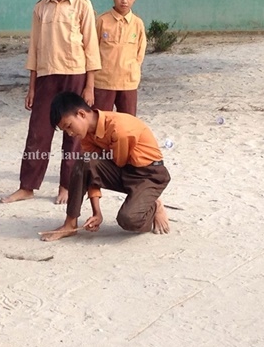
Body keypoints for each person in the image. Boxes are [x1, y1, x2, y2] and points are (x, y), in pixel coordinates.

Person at [1, 0, 101, 205]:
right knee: (38, 133)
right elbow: (34, 50)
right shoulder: (40, 9)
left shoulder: (83, 6)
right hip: (46, 77)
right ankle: (27, 186)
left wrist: (89, 86)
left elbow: (91, 48)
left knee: (74, 135)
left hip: (75, 75)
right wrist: (31, 88)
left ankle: (67, 185)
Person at [40, 92, 171, 241]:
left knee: (128, 219)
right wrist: (97, 213)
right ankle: (70, 224)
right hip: (124, 170)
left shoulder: (119, 129)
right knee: (84, 161)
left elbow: (115, 164)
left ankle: (154, 204)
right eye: (66, 131)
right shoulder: (87, 135)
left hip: (149, 175)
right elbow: (91, 173)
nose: (70, 133)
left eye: (69, 126)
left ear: (81, 114)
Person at [92, 0, 146, 116]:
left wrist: (132, 70)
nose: (124, 1)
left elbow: (140, 52)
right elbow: (92, 50)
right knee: (101, 122)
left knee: (128, 123)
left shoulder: (137, 24)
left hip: (128, 82)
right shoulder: (102, 21)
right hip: (103, 82)